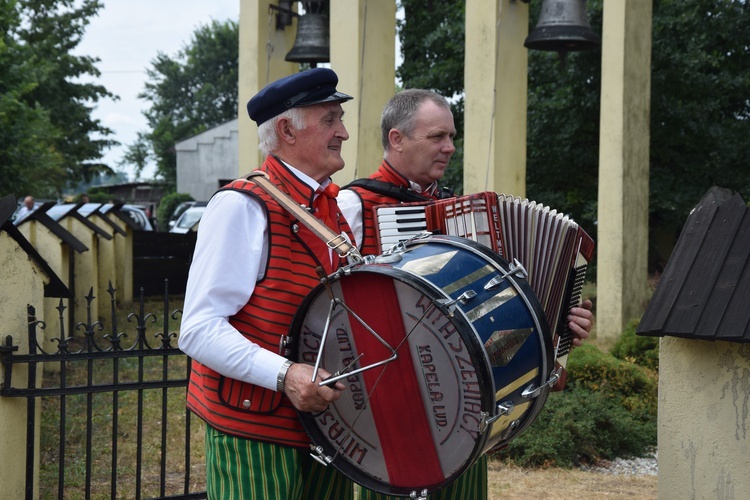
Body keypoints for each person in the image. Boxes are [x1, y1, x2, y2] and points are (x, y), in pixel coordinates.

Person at [338, 89, 594, 500]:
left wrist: (561, 318)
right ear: (397, 139)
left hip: (468, 400)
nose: (450, 147)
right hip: (394, 397)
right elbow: (338, 305)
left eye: (452, 136)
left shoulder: (465, 213)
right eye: (437, 137)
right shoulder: (354, 204)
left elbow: (500, 306)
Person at [178, 68, 357, 499]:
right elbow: (199, 328)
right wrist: (286, 375)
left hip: (326, 428)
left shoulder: (334, 208)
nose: (344, 133)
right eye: (330, 120)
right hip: (252, 427)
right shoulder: (241, 206)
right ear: (286, 130)